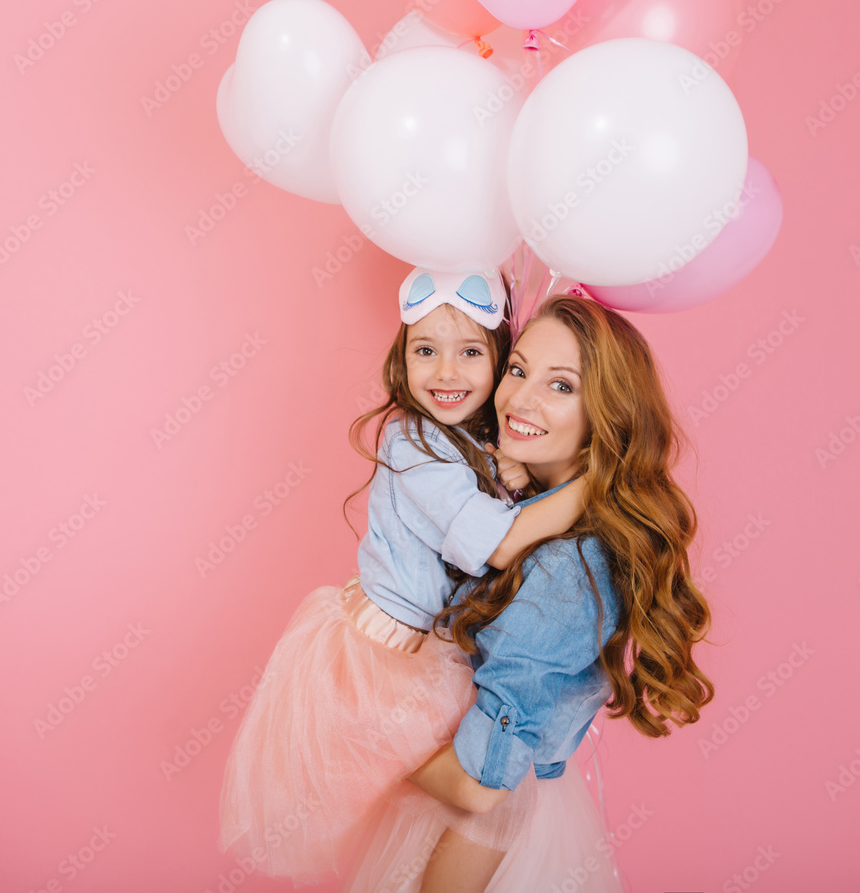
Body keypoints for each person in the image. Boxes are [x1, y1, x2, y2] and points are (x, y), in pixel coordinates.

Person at [218, 267, 586, 885]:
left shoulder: (472, 440)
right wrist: (598, 484)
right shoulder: (413, 441)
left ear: (500, 359)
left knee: (469, 801)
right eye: (425, 351)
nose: (446, 372)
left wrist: (509, 473)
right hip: (384, 653)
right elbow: (498, 545)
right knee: (477, 792)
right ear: (402, 357)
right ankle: (365, 748)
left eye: (471, 353)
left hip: (425, 646)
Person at [342, 293, 715, 893]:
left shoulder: (566, 568)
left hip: (481, 830)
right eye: (518, 369)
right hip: (461, 810)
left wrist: (365, 748)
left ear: (608, 417)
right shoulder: (512, 497)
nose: (519, 399)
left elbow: (479, 787)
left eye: (561, 386)